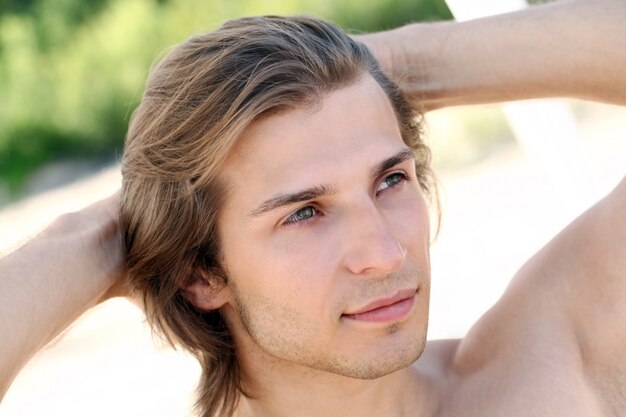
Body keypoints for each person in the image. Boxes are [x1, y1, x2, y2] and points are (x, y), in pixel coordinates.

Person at [0, 1, 624, 417]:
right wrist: (94, 237)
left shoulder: (547, 366)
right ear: (200, 273)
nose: (385, 253)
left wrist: (406, 65)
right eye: (303, 213)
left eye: (390, 181)